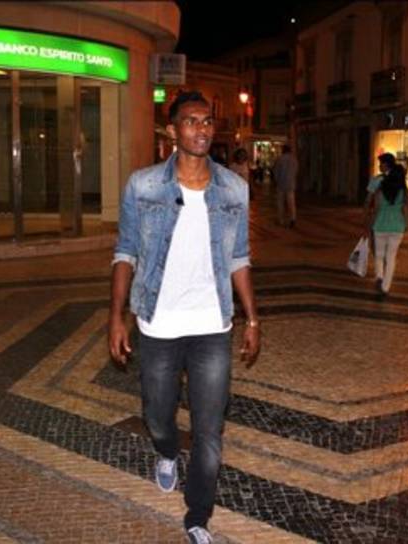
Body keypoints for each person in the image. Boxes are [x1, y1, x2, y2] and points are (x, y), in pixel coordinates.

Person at [108, 91, 260, 544]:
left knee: (209, 429)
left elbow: (239, 257)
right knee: (158, 416)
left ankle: (198, 516)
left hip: (213, 325)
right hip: (158, 323)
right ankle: (167, 451)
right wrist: (116, 316)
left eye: (207, 120)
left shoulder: (234, 188)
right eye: (191, 121)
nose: (202, 128)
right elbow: (125, 252)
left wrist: (252, 319)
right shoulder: (143, 185)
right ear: (173, 130)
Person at [364, 153, 408, 296]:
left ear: (386, 165)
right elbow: (405, 205)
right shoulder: (401, 186)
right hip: (398, 225)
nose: (379, 166)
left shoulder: (378, 183)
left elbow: (370, 203)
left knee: (379, 254)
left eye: (381, 163)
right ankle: (385, 287)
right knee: (391, 257)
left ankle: (379, 276)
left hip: (381, 224)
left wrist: (366, 218)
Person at [272, 144, 299, 228]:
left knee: (280, 202)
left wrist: (276, 181)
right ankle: (293, 218)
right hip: (290, 183)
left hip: (281, 183)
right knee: (291, 202)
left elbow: (276, 171)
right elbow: (296, 171)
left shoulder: (280, 159)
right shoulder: (294, 159)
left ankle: (281, 219)